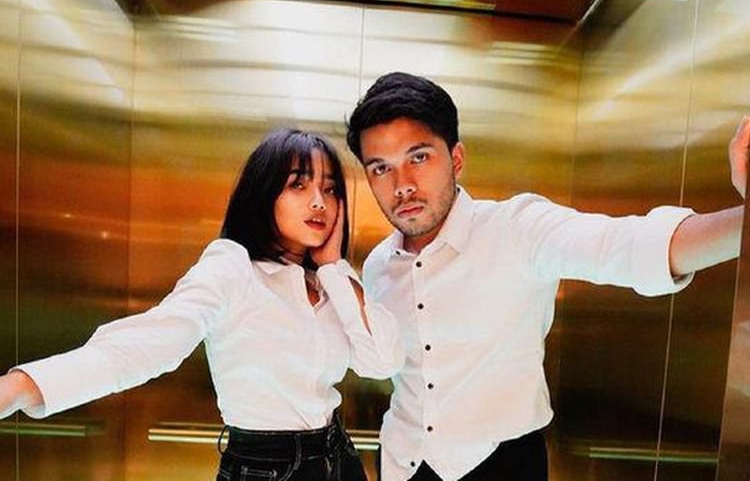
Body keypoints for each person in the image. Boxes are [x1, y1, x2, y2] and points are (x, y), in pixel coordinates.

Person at [345, 71, 750, 481]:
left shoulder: (518, 229)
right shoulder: (377, 267)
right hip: (404, 464)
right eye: (381, 168)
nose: (402, 185)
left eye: (418, 158)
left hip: (504, 465)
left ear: (456, 159)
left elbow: (627, 246)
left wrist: (746, 220)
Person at [0, 128, 405, 481]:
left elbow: (382, 362)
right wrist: (21, 386)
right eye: (298, 185)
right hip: (267, 468)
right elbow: (155, 340)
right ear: (264, 193)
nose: (319, 202)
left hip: (339, 458)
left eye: (330, 189)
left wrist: (333, 266)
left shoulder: (332, 282)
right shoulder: (232, 266)